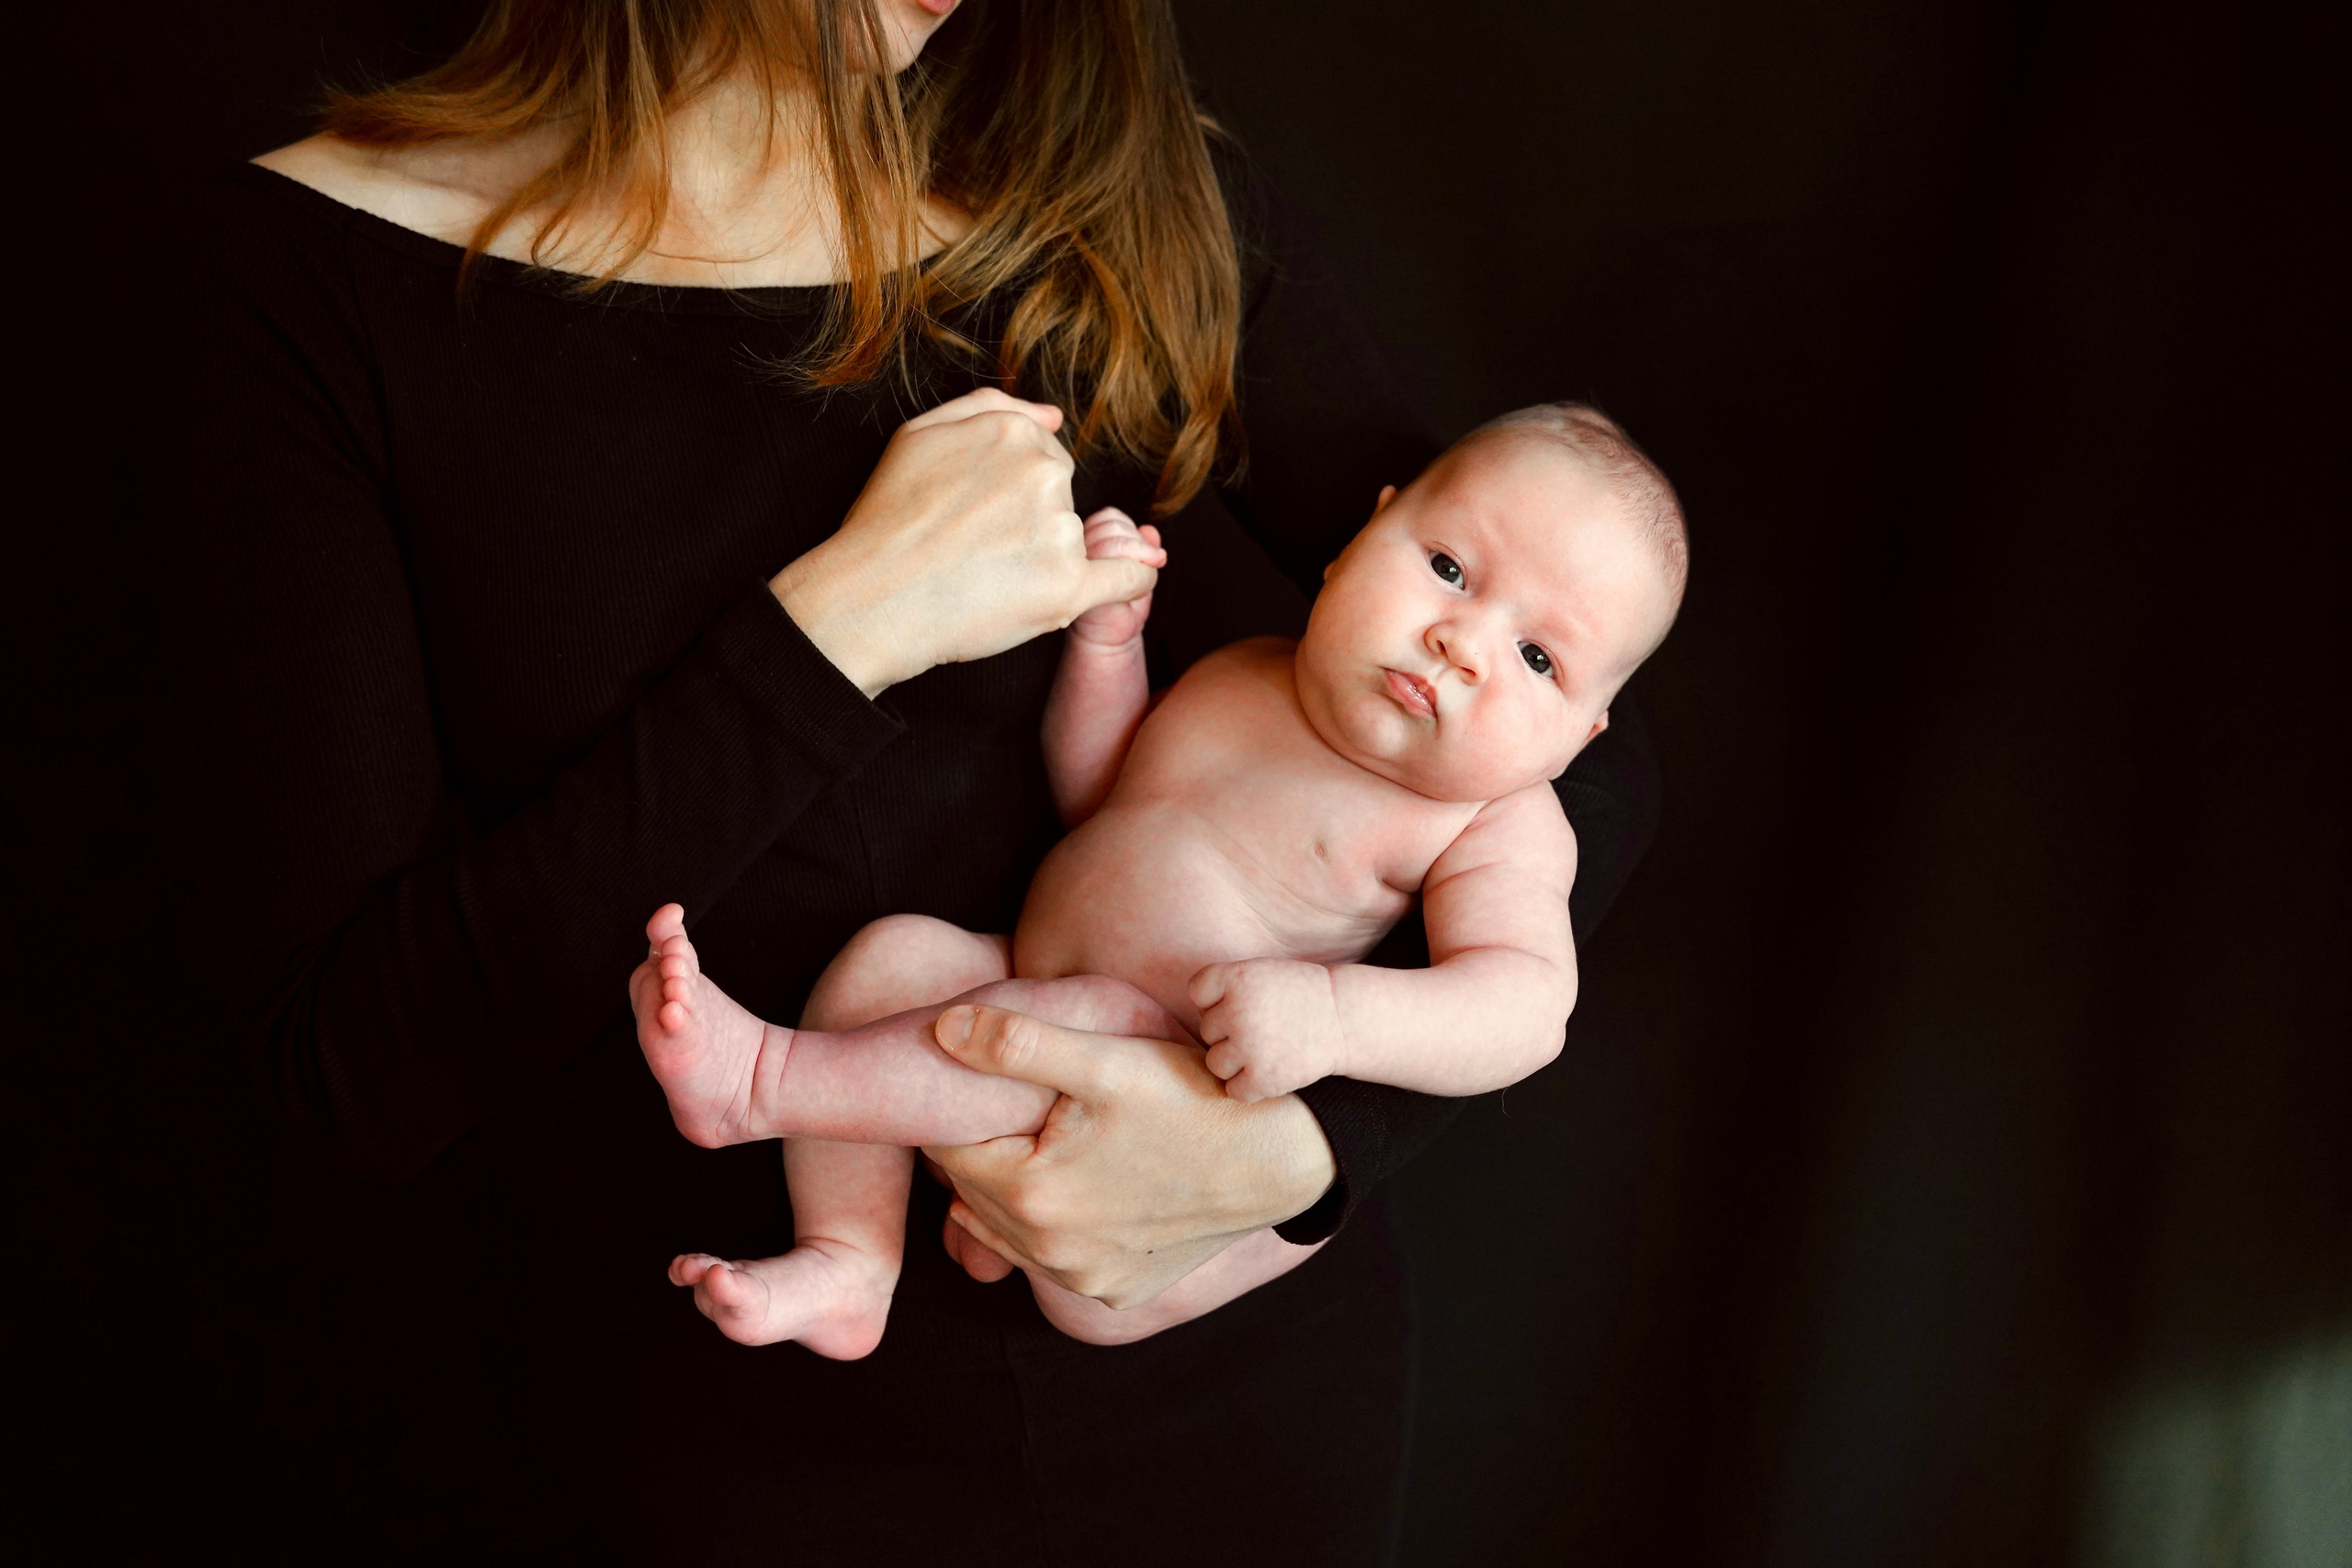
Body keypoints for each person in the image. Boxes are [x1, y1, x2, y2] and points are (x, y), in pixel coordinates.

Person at [175, 0, 1662, 1554]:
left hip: (1237, 1415)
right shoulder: (304, 282)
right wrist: (837, 632)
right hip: (717, 1433)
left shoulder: (1110, 186)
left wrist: (1306, 1148)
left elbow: (1575, 732)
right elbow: (347, 1069)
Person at [631, 406, 1685, 1359]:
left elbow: (1522, 1010)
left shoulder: (1491, 821)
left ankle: (762, 1083)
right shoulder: (1253, 670)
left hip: (1157, 1120)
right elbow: (1101, 801)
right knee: (892, 961)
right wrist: (1106, 650)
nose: (1463, 643)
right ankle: (850, 1260)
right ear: (1362, 536)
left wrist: (1334, 1017)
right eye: (1449, 568)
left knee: (1085, 1018)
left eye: (1539, 659)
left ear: (1582, 738)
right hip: (1020, 996)